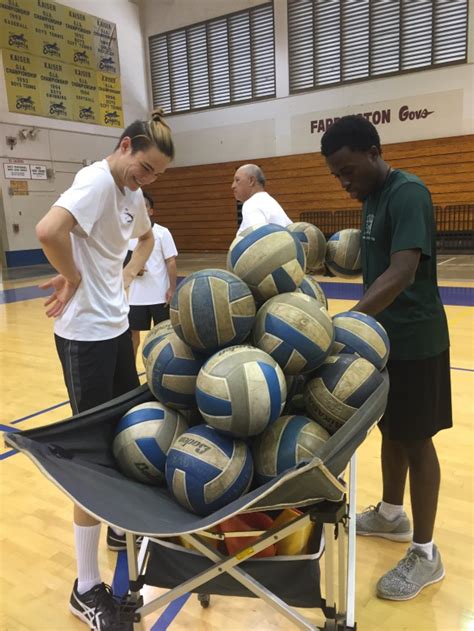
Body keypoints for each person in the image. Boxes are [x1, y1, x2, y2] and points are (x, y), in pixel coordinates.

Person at [36, 109, 175, 631]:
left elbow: (145, 236)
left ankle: (116, 526)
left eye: (156, 174)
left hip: (115, 332)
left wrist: (129, 275)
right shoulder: (95, 182)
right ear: (124, 147)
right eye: (144, 168)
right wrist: (71, 276)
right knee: (90, 461)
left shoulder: (131, 195)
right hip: (84, 340)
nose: (148, 180)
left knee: (122, 435)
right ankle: (85, 587)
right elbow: (49, 230)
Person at [321, 115, 452, 601]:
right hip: (384, 343)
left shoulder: (407, 192)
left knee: (417, 441)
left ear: (375, 152)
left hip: (417, 341)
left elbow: (400, 274)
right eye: (336, 175)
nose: (344, 182)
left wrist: (347, 323)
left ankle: (426, 553)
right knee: (389, 431)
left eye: (349, 170)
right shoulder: (373, 198)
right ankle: (392, 515)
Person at [127, 191, 178, 359]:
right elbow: (123, 263)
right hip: (135, 297)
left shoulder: (162, 232)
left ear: (150, 211)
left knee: (164, 335)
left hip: (159, 295)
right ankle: (130, 371)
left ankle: (163, 366)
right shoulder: (126, 235)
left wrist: (172, 289)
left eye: (145, 206)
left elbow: (170, 262)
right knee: (132, 335)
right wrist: (133, 269)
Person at [231, 163, 292, 234]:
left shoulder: (252, 204)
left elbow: (256, 240)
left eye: (237, 180)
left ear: (251, 181)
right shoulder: (268, 202)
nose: (233, 186)